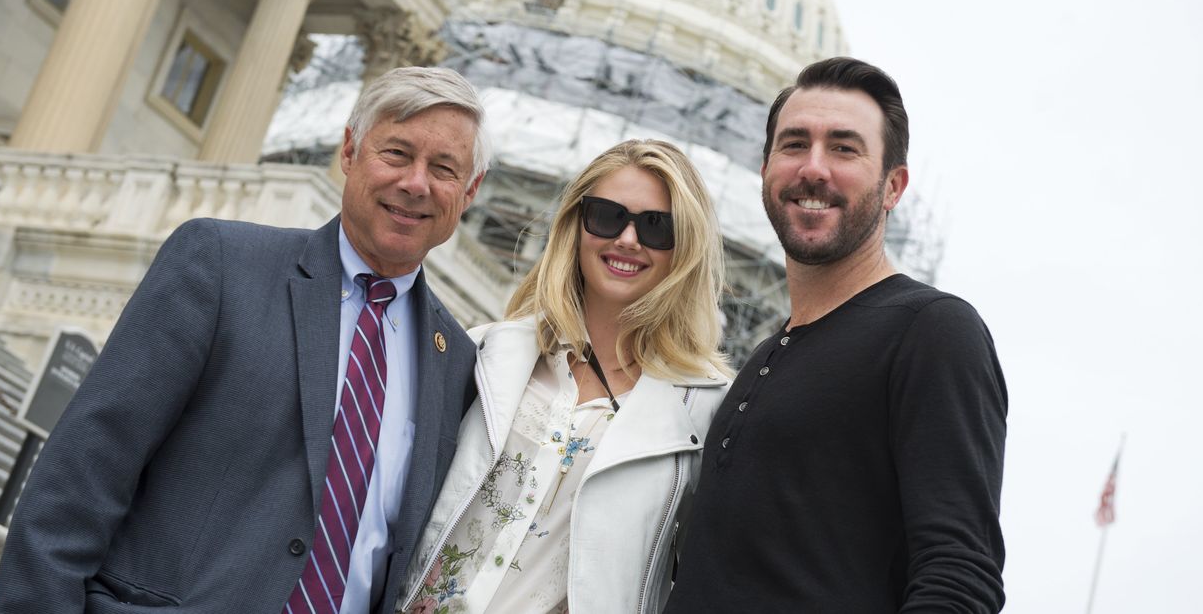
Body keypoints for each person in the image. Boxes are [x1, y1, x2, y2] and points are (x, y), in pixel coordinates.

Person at [0, 67, 489, 614]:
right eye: (396, 153)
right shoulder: (220, 266)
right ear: (349, 150)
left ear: (468, 193)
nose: (416, 183)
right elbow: (75, 484)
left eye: (443, 169)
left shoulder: (460, 362)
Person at [666, 57, 1008, 612]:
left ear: (893, 186)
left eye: (844, 148)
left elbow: (958, 575)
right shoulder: (765, 356)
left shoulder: (932, 331)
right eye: (794, 144)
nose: (814, 168)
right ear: (765, 170)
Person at [395, 139, 731, 614]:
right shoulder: (488, 350)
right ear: (576, 224)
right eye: (608, 216)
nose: (628, 240)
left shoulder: (704, 409)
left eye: (657, 227)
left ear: (686, 248)